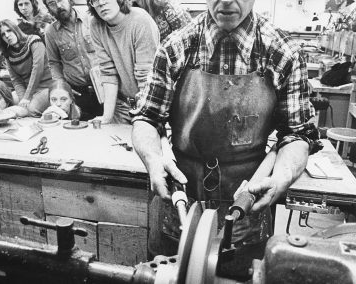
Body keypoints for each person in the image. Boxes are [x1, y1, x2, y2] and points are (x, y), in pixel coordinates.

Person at [131, 0, 322, 279]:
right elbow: (147, 118)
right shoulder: (175, 47)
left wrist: (281, 175)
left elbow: (298, 133)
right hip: (177, 208)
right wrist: (152, 158)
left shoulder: (282, 53)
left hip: (247, 211)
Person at [88, 0, 159, 124]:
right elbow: (108, 72)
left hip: (147, 103)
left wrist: (143, 120)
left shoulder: (140, 20)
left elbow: (146, 76)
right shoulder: (95, 25)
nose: (101, 3)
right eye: (94, 0)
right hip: (121, 105)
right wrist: (106, 118)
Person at [43, 0, 103, 121]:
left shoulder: (92, 18)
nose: (58, 6)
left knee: (107, 128)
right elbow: (54, 63)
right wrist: (63, 88)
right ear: (48, 8)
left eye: (60, 0)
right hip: (78, 92)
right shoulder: (51, 32)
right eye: (52, 3)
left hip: (104, 87)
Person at [0, 19, 52, 117]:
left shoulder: (34, 41)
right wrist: (23, 100)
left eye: (9, 30)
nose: (7, 35)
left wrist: (27, 98)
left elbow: (37, 71)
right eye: (3, 34)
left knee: (31, 109)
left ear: (16, 29)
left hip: (46, 87)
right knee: (3, 102)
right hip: (28, 90)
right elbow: (16, 80)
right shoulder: (8, 53)